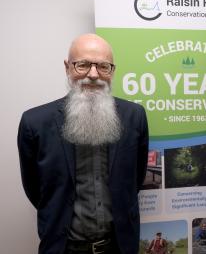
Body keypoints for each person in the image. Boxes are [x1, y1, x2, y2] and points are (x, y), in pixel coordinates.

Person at [17, 33, 149, 253]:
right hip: (64, 248)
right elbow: (35, 190)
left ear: (112, 71)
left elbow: (135, 179)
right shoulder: (34, 123)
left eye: (103, 66)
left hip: (119, 246)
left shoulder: (134, 116)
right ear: (68, 67)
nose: (93, 74)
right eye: (83, 65)